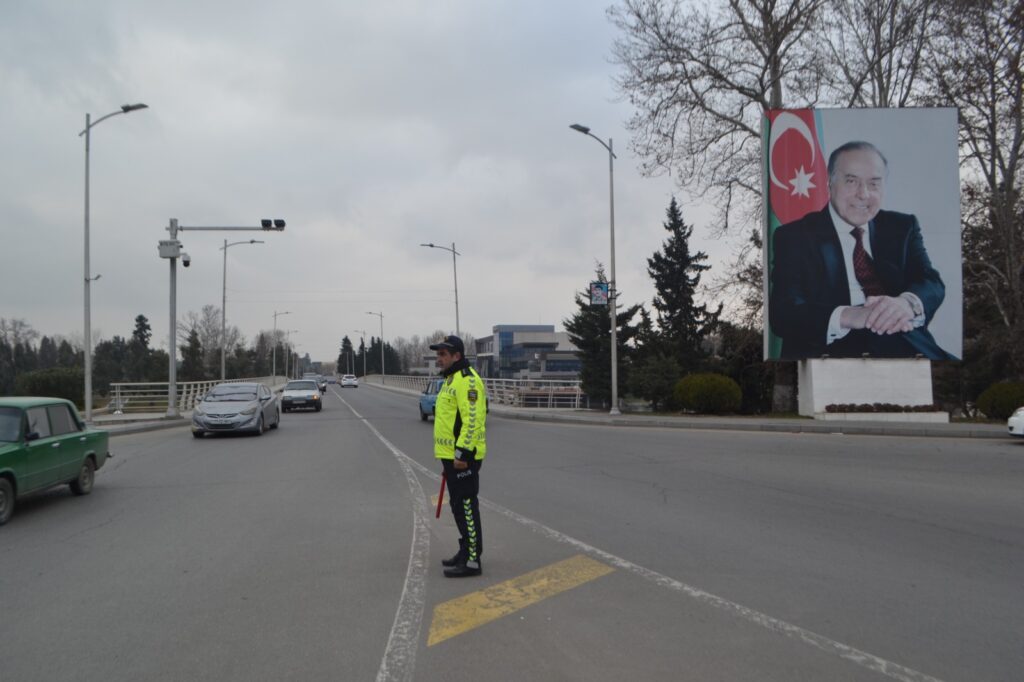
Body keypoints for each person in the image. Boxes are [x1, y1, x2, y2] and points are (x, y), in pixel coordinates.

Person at [769, 140, 956, 360]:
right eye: (851, 181)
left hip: (904, 341)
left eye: (874, 184)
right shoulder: (795, 236)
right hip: (832, 352)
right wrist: (852, 316)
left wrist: (905, 304)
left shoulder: (902, 227)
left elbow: (931, 281)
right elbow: (783, 312)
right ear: (829, 182)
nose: (863, 194)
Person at [430, 334, 488, 578]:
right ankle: (465, 551)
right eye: (438, 354)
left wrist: (462, 453)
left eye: (443, 354)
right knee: (458, 507)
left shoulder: (467, 381)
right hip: (451, 456)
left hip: (464, 456)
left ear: (457, 356)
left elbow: (473, 419)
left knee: (466, 506)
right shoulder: (451, 379)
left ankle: (472, 559)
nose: (439, 358)